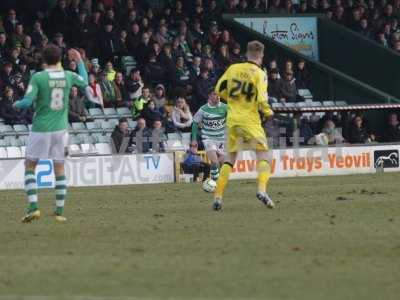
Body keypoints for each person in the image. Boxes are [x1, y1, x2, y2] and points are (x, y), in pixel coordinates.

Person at [13, 46, 91, 223]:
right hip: (61, 129)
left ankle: (33, 207)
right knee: (60, 169)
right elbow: (85, 82)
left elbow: (27, 102)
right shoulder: (68, 76)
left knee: (30, 166)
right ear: (60, 59)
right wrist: (79, 61)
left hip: (40, 128)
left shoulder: (38, 77)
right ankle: (59, 212)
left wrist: (16, 104)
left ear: (43, 60)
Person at [212, 40, 275, 211]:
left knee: (229, 159)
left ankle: (218, 196)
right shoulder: (260, 73)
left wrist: (232, 100)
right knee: (264, 156)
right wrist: (269, 112)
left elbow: (218, 89)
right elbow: (262, 99)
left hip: (232, 120)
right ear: (261, 56)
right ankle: (262, 190)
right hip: (250, 121)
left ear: (247, 53)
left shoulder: (233, 68)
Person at [192, 89, 227, 183]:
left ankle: (216, 176)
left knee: (223, 163)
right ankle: (215, 182)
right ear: (209, 96)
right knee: (215, 162)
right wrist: (194, 139)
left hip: (222, 139)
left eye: (218, 94)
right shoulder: (203, 109)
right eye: (215, 94)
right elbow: (195, 123)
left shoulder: (225, 107)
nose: (218, 96)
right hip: (208, 138)